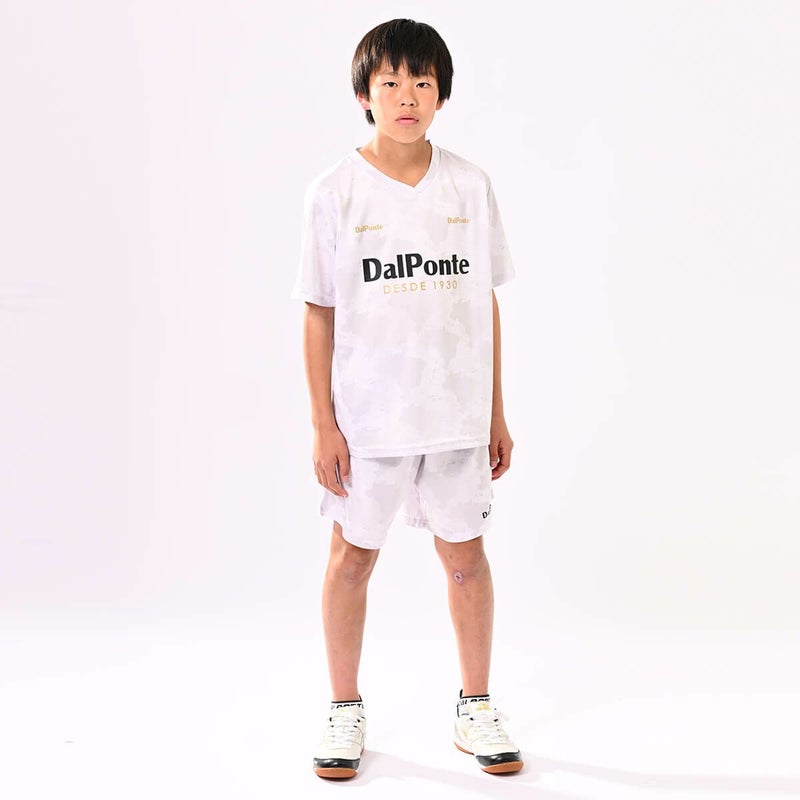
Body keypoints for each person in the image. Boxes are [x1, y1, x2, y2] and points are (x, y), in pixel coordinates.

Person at [290, 18, 522, 779]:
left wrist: (494, 411)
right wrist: (324, 424)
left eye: (422, 82)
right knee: (351, 559)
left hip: (455, 415)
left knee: (466, 559)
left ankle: (475, 704)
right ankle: (343, 708)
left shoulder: (469, 185)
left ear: (441, 95)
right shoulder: (334, 192)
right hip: (369, 420)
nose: (407, 97)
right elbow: (318, 310)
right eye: (390, 82)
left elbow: (483, 301)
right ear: (365, 94)